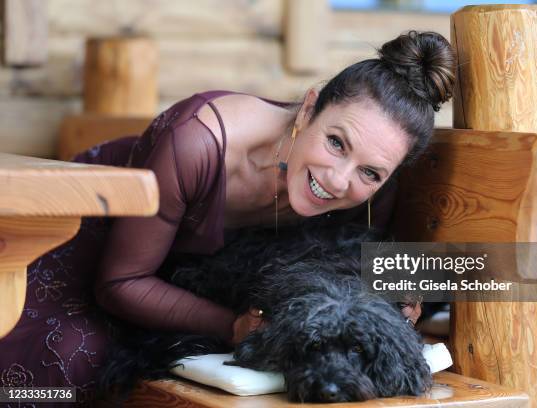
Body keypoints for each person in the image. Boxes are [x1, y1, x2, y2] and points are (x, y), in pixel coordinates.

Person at [0, 30, 456, 405]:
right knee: (70, 360)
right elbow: (120, 283)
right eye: (336, 142)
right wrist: (232, 326)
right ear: (310, 106)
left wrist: (401, 291)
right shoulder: (194, 141)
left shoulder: (375, 187)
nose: (339, 181)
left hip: (187, 281)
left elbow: (501, 268)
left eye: (370, 172)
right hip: (99, 234)